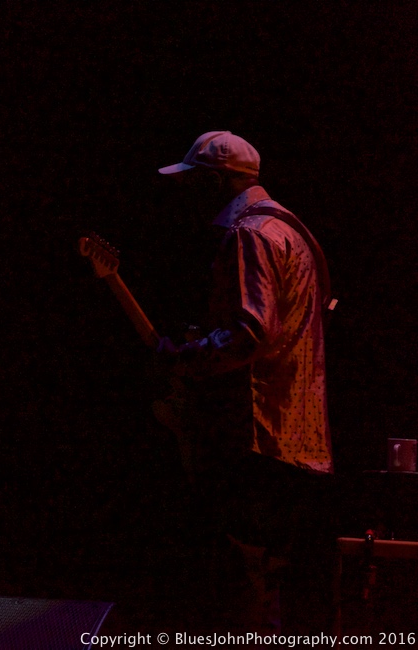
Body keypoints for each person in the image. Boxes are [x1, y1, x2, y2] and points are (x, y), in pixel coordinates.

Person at [154, 131, 335, 634]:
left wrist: (185, 355)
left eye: (193, 182)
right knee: (271, 586)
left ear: (215, 181)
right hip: (296, 439)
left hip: (256, 437)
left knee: (238, 585)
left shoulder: (248, 234)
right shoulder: (293, 232)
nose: (185, 194)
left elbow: (250, 333)